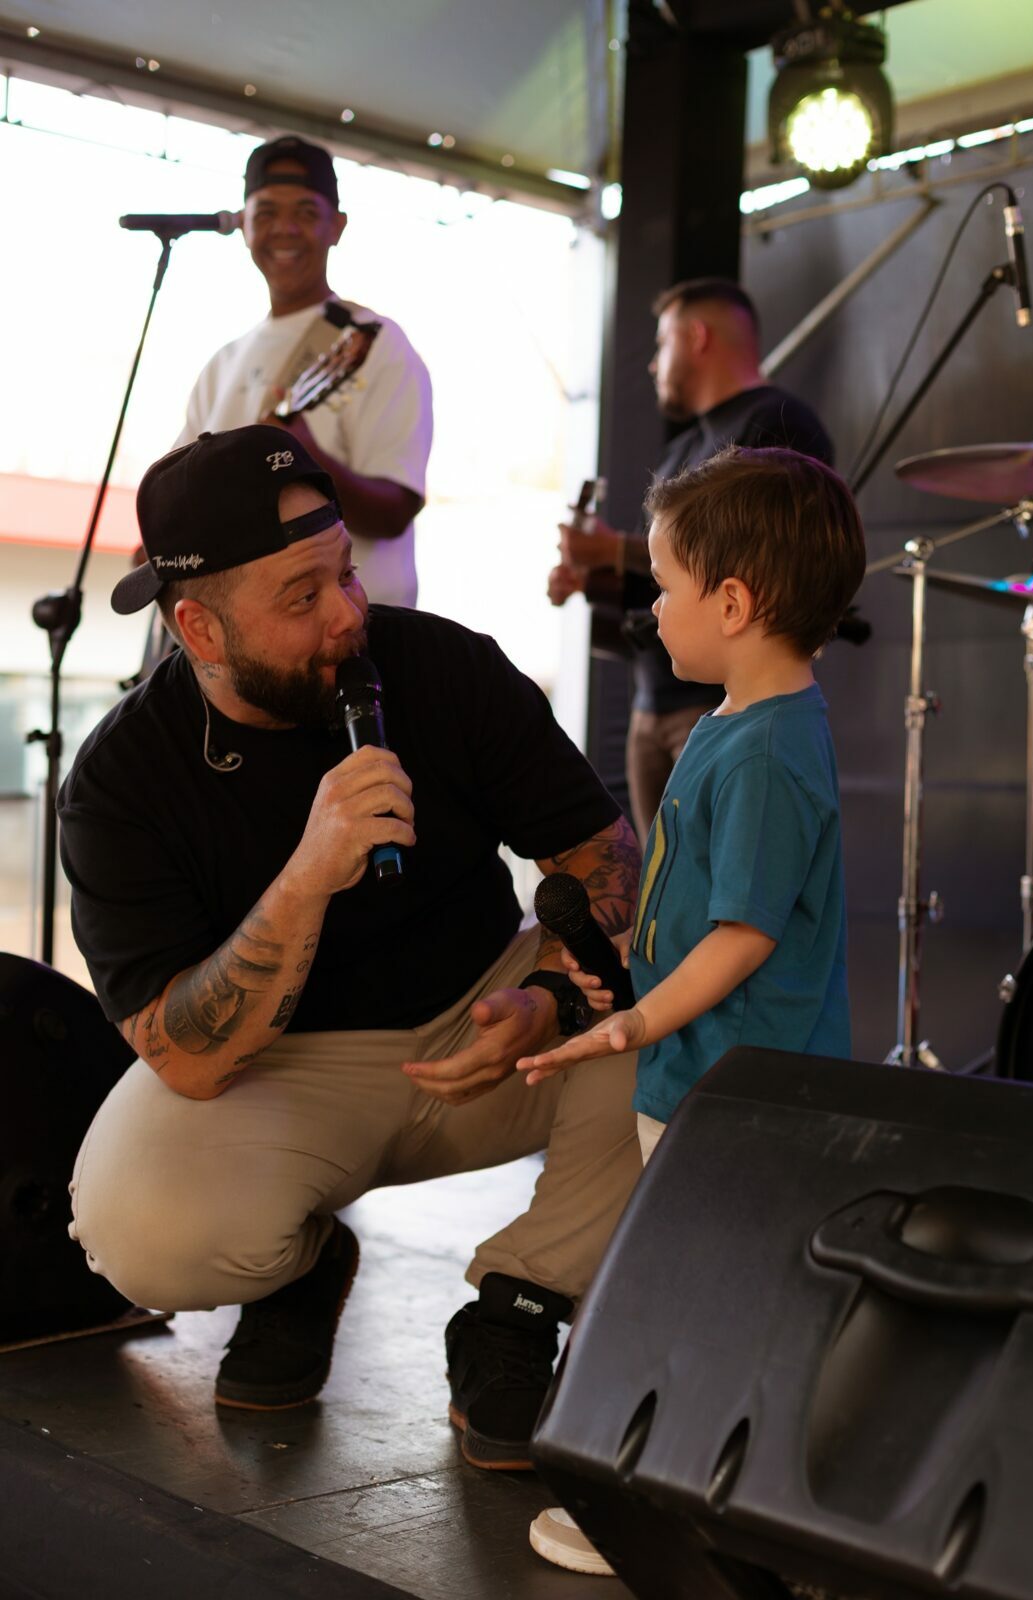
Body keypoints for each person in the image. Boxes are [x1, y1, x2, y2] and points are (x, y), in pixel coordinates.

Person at [58, 425, 643, 1474]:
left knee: (689, 982)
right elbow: (183, 1053)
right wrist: (304, 878)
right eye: (301, 596)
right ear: (197, 625)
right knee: (130, 1223)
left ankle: (519, 1304)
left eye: (346, 574)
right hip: (285, 1077)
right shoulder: (121, 781)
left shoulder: (442, 667)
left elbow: (605, 856)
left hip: (495, 1023)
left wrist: (553, 995)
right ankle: (299, 1268)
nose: (345, 614)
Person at [522, 444, 866, 1573]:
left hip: (736, 1092)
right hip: (705, 1080)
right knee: (695, 1291)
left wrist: (636, 1021)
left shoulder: (764, 750)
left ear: (731, 603)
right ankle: (697, 1496)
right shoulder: (739, 721)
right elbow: (705, 907)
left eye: (663, 587)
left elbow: (744, 935)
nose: (650, 608)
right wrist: (633, 967)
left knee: (706, 1301)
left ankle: (676, 1510)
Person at [550, 277, 834, 844]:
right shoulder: (680, 448)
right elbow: (668, 578)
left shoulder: (776, 421)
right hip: (652, 701)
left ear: (698, 336)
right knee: (664, 876)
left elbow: (758, 556)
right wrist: (592, 577)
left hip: (720, 700)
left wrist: (613, 549)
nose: (653, 363)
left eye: (662, 342)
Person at [177, 133, 432, 608]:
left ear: (337, 226)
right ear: (243, 225)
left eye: (306, 213)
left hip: (360, 627)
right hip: (247, 635)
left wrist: (308, 459)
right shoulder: (222, 363)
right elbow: (183, 501)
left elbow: (395, 511)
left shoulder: (373, 341)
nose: (285, 229)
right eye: (266, 213)